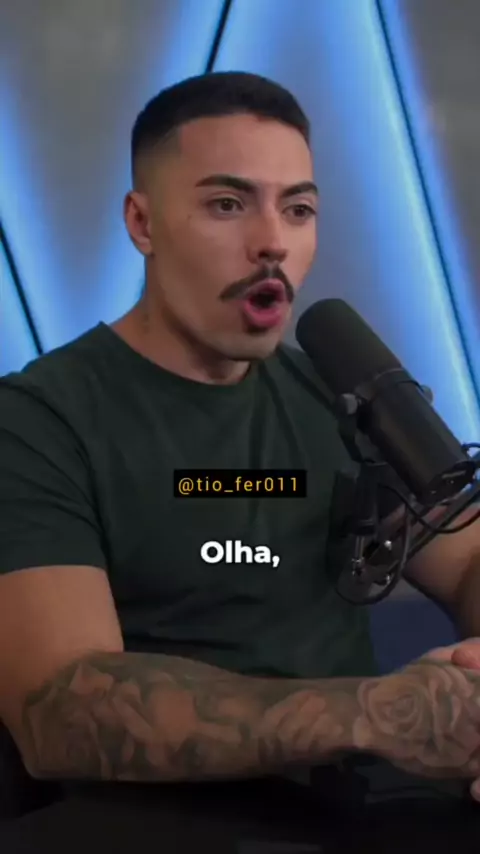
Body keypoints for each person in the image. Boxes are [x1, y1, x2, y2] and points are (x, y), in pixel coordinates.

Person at [0, 70, 480, 819]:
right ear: (143, 223)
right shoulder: (36, 419)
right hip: (160, 821)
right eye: (227, 204)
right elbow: (59, 707)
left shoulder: (339, 393)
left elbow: (469, 554)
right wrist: (373, 715)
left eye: (298, 210)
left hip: (366, 805)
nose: (272, 244)